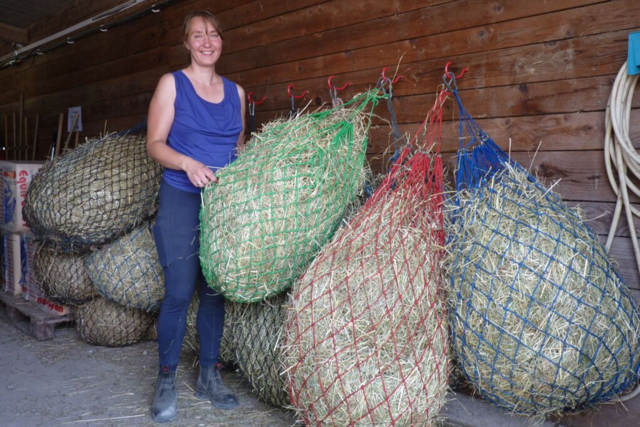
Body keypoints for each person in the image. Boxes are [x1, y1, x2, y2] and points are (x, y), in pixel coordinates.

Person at [145, 10, 245, 423]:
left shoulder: (238, 92)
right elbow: (154, 144)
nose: (207, 42)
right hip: (183, 197)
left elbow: (239, 147)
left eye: (214, 34)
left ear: (222, 41)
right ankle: (166, 379)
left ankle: (208, 374)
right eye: (198, 35)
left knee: (215, 290)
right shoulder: (172, 84)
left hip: (222, 205)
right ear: (187, 42)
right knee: (180, 292)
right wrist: (187, 163)